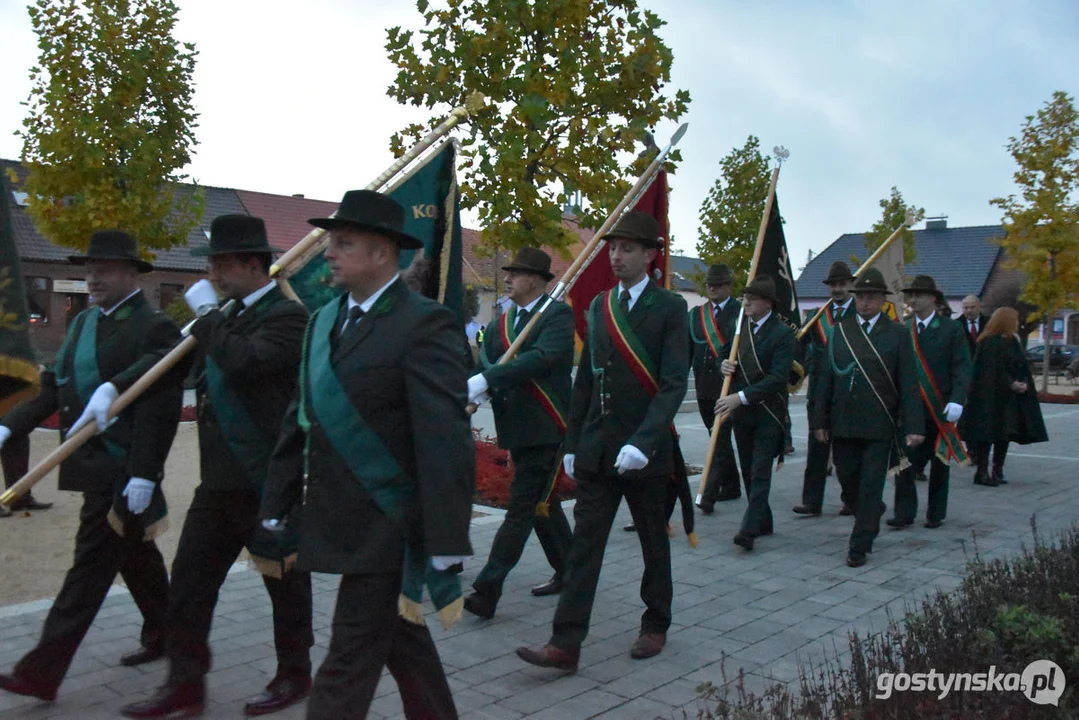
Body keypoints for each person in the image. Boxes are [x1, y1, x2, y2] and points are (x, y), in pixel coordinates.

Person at [259, 190, 474, 720]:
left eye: (343, 242)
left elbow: (444, 437)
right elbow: (300, 418)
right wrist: (275, 498)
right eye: (332, 241)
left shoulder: (424, 323)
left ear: (382, 253)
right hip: (337, 516)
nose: (328, 252)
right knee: (402, 643)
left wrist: (448, 537)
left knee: (346, 661)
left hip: (388, 524)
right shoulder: (323, 320)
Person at [120, 216, 313, 718]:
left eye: (221, 262)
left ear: (254, 264)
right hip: (219, 483)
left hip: (266, 479)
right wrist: (112, 388)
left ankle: (294, 674)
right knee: (188, 587)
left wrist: (208, 314)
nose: (212, 272)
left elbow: (243, 360)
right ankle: (184, 683)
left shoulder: (288, 317)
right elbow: (171, 366)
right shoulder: (224, 314)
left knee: (285, 587)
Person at [0, 230, 183, 702]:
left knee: (88, 571)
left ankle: (40, 671)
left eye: (103, 269)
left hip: (123, 472)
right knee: (137, 558)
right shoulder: (81, 324)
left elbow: (159, 409)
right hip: (92, 467)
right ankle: (168, 634)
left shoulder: (154, 326)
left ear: (130, 274)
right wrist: (9, 427)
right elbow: (52, 389)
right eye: (89, 269)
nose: (93, 277)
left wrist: (146, 472)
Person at [516, 212, 689, 671]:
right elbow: (586, 384)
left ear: (650, 254)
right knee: (585, 550)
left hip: (644, 454)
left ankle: (656, 623)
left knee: (653, 543)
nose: (616, 255)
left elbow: (673, 383)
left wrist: (645, 441)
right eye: (613, 247)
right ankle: (565, 643)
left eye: (628, 248)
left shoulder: (670, 308)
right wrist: (572, 443)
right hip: (597, 449)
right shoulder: (597, 306)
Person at [463, 247, 574, 619]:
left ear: (537, 280)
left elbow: (542, 358)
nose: (507, 278)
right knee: (544, 503)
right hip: (517, 429)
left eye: (516, 273)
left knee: (521, 508)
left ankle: (486, 590)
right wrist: (477, 390)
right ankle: (573, 570)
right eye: (507, 272)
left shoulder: (557, 316)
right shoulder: (500, 324)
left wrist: (487, 378)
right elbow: (490, 364)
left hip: (548, 426)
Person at [809, 269, 924, 567]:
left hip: (878, 422)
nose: (864, 302)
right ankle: (870, 512)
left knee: (872, 483)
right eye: (860, 296)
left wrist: (913, 425)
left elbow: (909, 382)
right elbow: (824, 379)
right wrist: (819, 422)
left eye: (871, 296)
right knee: (848, 482)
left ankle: (859, 544)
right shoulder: (839, 331)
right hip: (844, 421)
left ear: (882, 299)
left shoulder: (897, 334)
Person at [716, 275, 796, 551]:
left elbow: (777, 378)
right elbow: (724, 356)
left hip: (769, 413)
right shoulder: (739, 328)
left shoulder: (783, 334)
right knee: (749, 470)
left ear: (767, 303)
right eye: (745, 297)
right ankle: (764, 520)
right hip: (743, 415)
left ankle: (748, 531)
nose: (746, 302)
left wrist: (740, 397)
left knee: (761, 471)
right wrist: (723, 365)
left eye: (752, 298)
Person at [887, 275, 972, 530]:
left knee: (939, 464)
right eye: (910, 295)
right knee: (904, 463)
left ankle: (935, 513)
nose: (913, 300)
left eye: (919, 295)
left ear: (933, 298)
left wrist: (958, 399)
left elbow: (962, 367)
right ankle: (904, 512)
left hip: (941, 408)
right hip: (911, 409)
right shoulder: (904, 328)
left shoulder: (951, 329)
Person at [959, 307, 1048, 486]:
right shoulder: (989, 341)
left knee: (1004, 434)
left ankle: (997, 471)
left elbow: (1019, 364)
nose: (1016, 323)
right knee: (987, 434)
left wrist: (1022, 382)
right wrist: (1010, 382)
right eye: (1013, 319)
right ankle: (982, 472)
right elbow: (990, 370)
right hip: (989, 398)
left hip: (1008, 399)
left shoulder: (1011, 341)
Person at [794, 261, 855, 517]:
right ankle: (812, 501)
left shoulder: (859, 316)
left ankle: (852, 499)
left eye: (842, 284)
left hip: (849, 392)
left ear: (852, 285)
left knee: (846, 452)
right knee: (816, 449)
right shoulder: (817, 317)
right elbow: (802, 351)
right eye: (833, 285)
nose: (837, 289)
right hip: (819, 392)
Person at [689, 263, 742, 512]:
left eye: (718, 284)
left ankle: (707, 495)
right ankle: (732, 485)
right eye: (710, 284)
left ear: (729, 286)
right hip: (704, 386)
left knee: (718, 441)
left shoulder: (740, 312)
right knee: (716, 437)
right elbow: (690, 349)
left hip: (729, 388)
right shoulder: (697, 315)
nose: (712, 288)